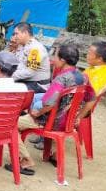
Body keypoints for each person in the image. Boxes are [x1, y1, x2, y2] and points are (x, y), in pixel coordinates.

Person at [7, 44, 87, 176]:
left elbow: (49, 103)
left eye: (55, 56)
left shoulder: (61, 79)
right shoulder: (83, 77)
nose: (53, 59)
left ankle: (26, 160)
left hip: (52, 121)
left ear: (62, 60)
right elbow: (90, 99)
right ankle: (54, 154)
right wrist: (78, 116)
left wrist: (37, 113)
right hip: (68, 121)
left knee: (9, 125)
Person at [77, 41, 106, 121]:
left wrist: (79, 117)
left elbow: (91, 99)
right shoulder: (95, 67)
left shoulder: (101, 76)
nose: (87, 55)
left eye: (89, 53)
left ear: (100, 59)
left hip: (76, 107)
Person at [11, 22, 51, 93]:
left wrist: (10, 77)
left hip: (38, 85)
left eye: (16, 34)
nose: (15, 37)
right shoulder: (24, 46)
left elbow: (30, 72)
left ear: (25, 33)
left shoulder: (35, 49)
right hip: (28, 81)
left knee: (6, 89)